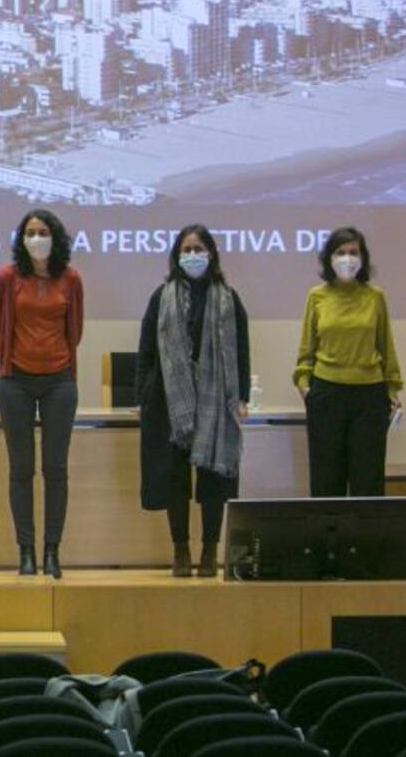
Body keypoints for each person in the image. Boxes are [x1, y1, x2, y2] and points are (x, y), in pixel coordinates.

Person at [137, 225, 250, 578]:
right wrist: (142, 395)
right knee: (175, 480)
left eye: (198, 248)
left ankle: (210, 550)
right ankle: (181, 549)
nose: (192, 255)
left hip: (215, 403)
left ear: (212, 253)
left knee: (214, 479)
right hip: (169, 403)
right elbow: (146, 351)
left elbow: (242, 352)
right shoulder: (161, 296)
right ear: (176, 255)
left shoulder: (229, 298)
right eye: (185, 249)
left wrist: (241, 396)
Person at [0, 208, 84, 579]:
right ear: (20, 239)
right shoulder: (7, 276)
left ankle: (52, 550)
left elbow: (74, 330)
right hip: (15, 382)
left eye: (43, 231)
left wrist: (55, 360)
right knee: (21, 469)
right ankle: (25, 550)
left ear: (55, 237)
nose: (36, 238)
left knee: (56, 469)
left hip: (60, 381)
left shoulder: (71, 279)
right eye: (29, 232)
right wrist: (15, 362)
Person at [294, 226, 402, 497]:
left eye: (353, 252)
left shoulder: (375, 296)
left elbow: (385, 344)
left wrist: (392, 388)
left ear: (363, 258)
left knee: (368, 478)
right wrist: (304, 384)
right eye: (340, 252)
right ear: (329, 258)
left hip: (370, 395)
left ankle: (365, 540)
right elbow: (307, 348)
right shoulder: (316, 296)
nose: (347, 258)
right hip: (326, 393)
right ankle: (328, 540)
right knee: (326, 478)